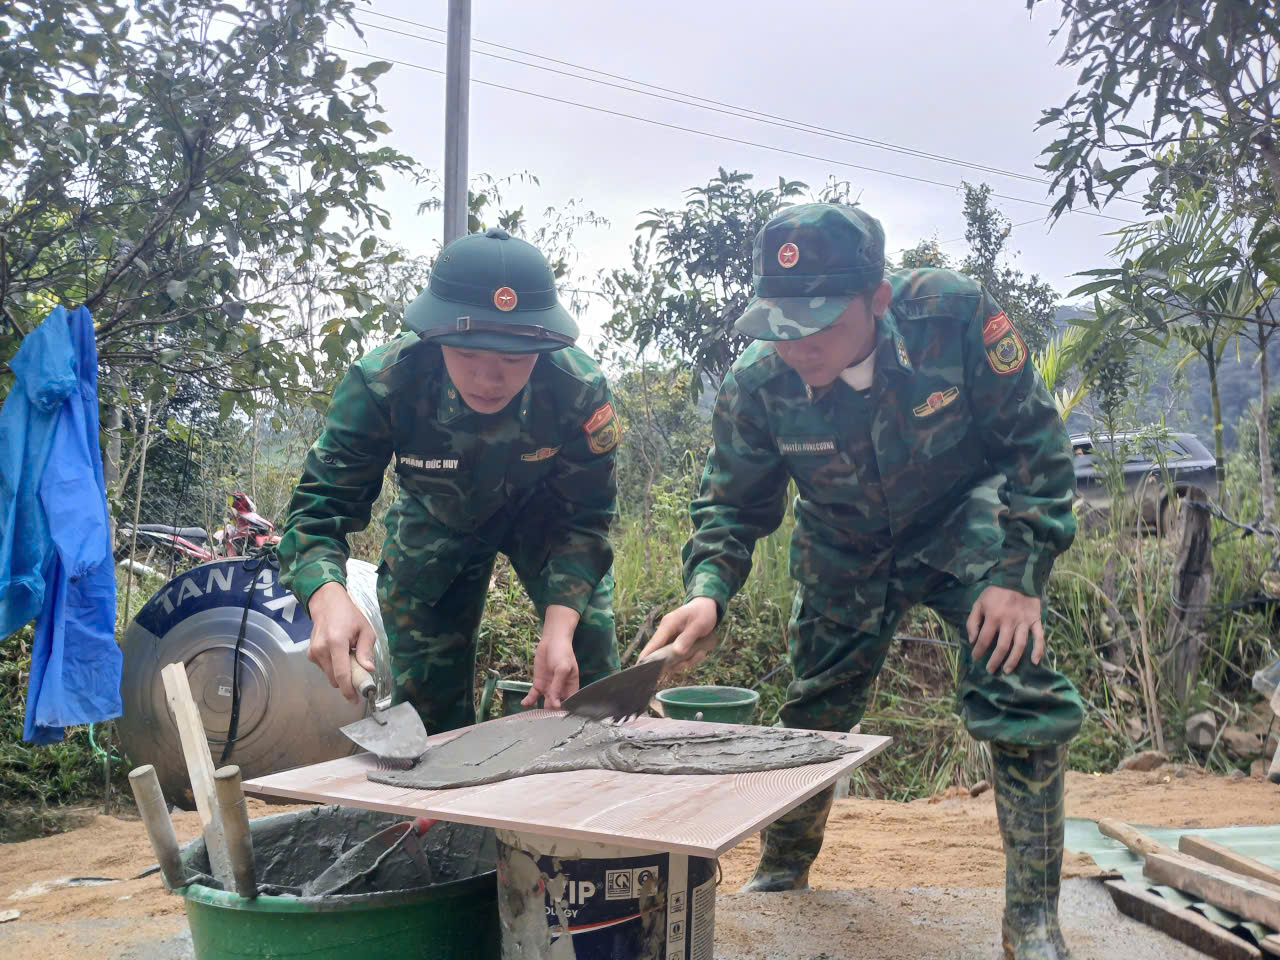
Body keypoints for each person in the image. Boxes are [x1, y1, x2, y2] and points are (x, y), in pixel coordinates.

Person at [641, 203, 1082, 959]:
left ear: (877, 299)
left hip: (958, 520)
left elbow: (1036, 447)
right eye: (782, 325)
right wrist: (708, 591)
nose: (799, 346)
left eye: (820, 323)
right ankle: (782, 873)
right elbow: (731, 505)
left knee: (1019, 678)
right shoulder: (757, 384)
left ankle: (1033, 921)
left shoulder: (953, 316)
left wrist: (1020, 575)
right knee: (816, 706)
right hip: (840, 539)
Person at [279, 227, 621, 734]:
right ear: (435, 338)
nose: (488, 379)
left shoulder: (577, 391)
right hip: (436, 519)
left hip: (545, 523)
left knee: (588, 669)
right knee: (427, 707)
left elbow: (586, 521)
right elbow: (315, 515)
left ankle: (598, 799)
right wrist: (326, 594)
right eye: (467, 355)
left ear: (543, 347)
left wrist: (561, 620)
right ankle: (445, 813)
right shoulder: (384, 384)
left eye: (511, 360)